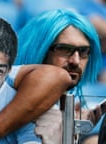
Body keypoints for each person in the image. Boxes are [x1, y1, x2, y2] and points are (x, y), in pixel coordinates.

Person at [13, 9, 102, 144]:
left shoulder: (66, 108)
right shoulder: (8, 100)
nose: (75, 61)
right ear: (40, 50)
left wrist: (75, 136)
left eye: (84, 51)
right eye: (64, 49)